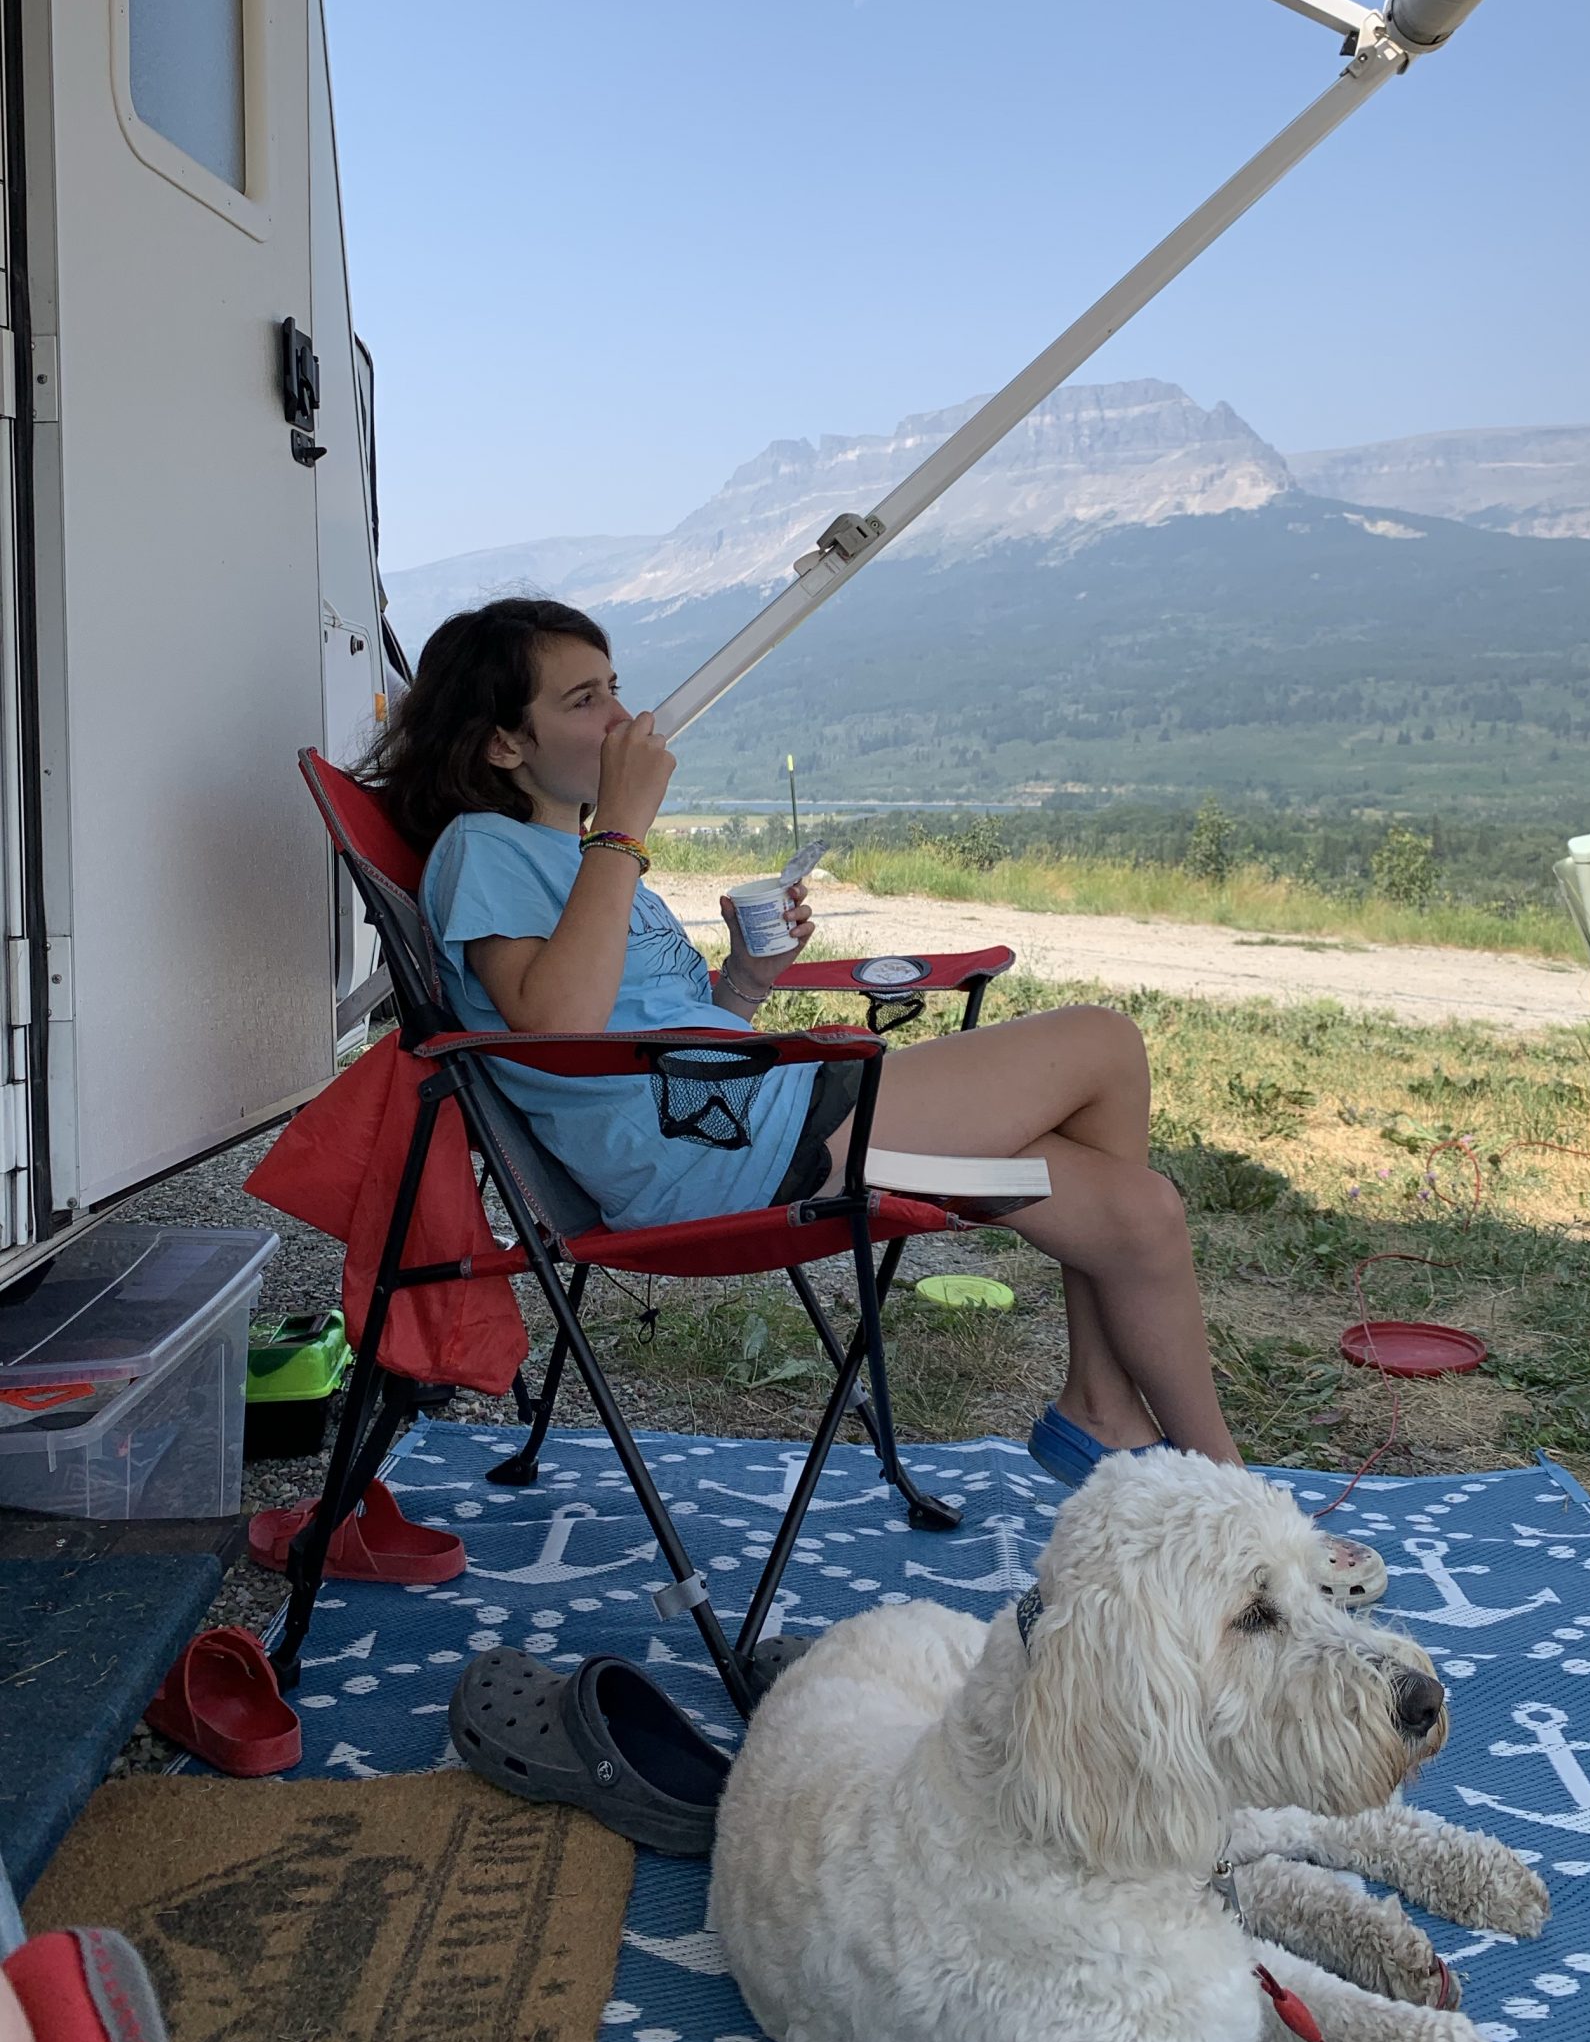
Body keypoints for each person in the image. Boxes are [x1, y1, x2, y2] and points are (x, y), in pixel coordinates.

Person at [363, 597, 1241, 1486]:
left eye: (616, 688)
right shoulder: (487, 849)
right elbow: (560, 1032)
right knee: (1102, 1042)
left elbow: (656, 1054)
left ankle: (1113, 1419)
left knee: (1140, 1213)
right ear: (502, 744)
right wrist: (623, 830)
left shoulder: (579, 861)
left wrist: (746, 979)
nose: (626, 720)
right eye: (585, 700)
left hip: (750, 1128)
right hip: (728, 1163)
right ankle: (1221, 1490)